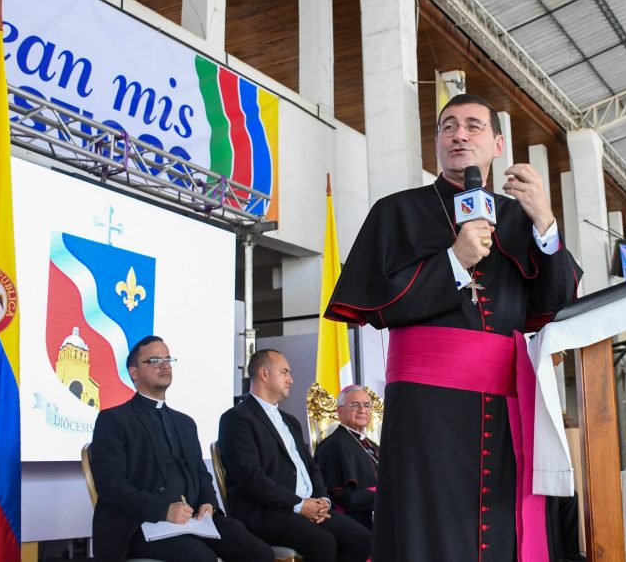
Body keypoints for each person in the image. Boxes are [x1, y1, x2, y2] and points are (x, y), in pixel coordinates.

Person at [324, 93, 581, 562]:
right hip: (426, 409)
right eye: (448, 126)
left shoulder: (520, 218)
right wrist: (453, 260)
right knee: (430, 523)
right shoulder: (397, 211)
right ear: (437, 142)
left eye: (473, 126)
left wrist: (545, 221)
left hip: (506, 405)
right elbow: (378, 306)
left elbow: (555, 304)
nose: (459, 135)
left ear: (498, 144)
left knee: (502, 523)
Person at [89, 336, 273, 562]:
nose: (165, 365)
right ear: (134, 372)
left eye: (168, 359)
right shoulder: (114, 419)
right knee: (201, 558)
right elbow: (110, 485)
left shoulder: (185, 422)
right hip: (141, 523)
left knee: (259, 553)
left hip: (194, 519)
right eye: (155, 360)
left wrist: (208, 503)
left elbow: (201, 474)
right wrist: (163, 510)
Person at [217, 349, 371, 562]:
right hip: (265, 511)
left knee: (363, 539)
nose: (291, 379)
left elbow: (312, 467)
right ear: (264, 374)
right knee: (323, 542)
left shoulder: (290, 420)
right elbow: (250, 477)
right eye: (285, 372)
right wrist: (299, 505)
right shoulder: (236, 418)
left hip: (307, 505)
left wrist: (323, 500)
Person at [314, 385, 380, 530]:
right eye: (355, 405)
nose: (362, 410)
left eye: (366, 405)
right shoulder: (333, 445)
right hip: (356, 521)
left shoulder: (371, 445)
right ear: (340, 411)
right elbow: (339, 495)